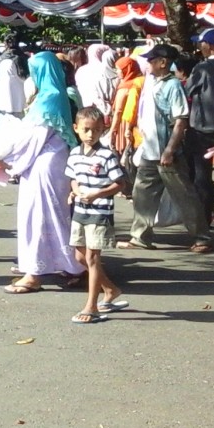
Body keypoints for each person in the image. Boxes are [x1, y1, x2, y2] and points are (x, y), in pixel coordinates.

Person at [0, 50, 82, 293]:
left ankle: (35, 273)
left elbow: (34, 138)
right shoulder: (54, 94)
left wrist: (7, 159)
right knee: (54, 216)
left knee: (38, 217)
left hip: (44, 165)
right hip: (50, 162)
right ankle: (71, 266)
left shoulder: (48, 98)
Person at [117, 44, 214, 253]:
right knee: (142, 194)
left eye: (152, 60)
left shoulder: (173, 86)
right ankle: (139, 236)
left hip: (166, 152)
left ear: (163, 63)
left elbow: (180, 120)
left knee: (184, 195)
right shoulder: (152, 83)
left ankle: (202, 237)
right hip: (150, 150)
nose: (148, 64)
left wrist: (170, 150)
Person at [65, 106, 128, 324]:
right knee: (80, 257)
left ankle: (91, 306)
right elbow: (73, 178)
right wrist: (75, 191)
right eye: (86, 130)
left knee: (92, 258)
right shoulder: (74, 154)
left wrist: (98, 194)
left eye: (97, 130)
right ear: (76, 129)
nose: (91, 135)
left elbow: (120, 183)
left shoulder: (107, 155)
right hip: (80, 212)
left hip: (100, 213)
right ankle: (110, 289)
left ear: (103, 130)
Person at [185, 29, 214, 223]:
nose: (198, 47)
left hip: (202, 128)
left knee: (203, 176)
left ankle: (204, 216)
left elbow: (188, 90)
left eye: (201, 43)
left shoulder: (201, 68)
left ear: (209, 46)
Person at [0, 35, 27, 133]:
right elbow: (26, 78)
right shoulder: (22, 58)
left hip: (2, 101)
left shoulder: (0, 59)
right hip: (20, 101)